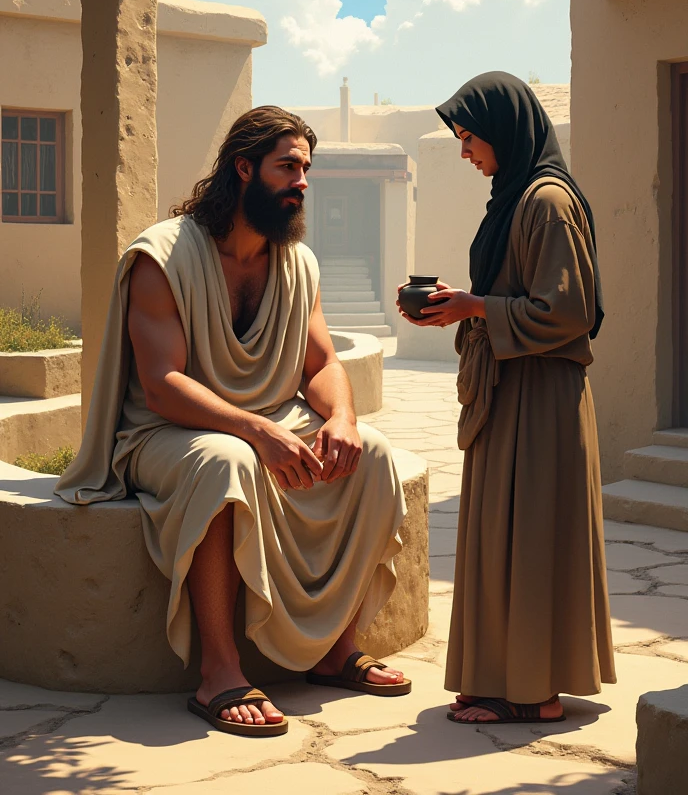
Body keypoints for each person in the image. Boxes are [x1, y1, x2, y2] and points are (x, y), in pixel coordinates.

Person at [56, 106, 411, 737]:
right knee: (228, 460)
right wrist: (256, 429)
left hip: (265, 422)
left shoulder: (297, 263)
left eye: (307, 168)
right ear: (243, 169)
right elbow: (163, 385)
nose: (302, 181)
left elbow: (321, 361)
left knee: (374, 452)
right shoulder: (162, 256)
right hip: (164, 435)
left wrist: (345, 417)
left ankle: (336, 650)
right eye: (289, 166)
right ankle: (218, 672)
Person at [399, 71, 615, 724]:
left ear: (506, 132)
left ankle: (534, 694)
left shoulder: (546, 202)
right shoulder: (514, 201)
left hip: (542, 399)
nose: (465, 151)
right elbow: (517, 296)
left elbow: (568, 311)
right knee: (503, 537)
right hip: (510, 391)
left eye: (471, 137)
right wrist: (460, 310)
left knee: (531, 538)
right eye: (460, 139)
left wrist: (475, 305)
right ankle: (502, 677)